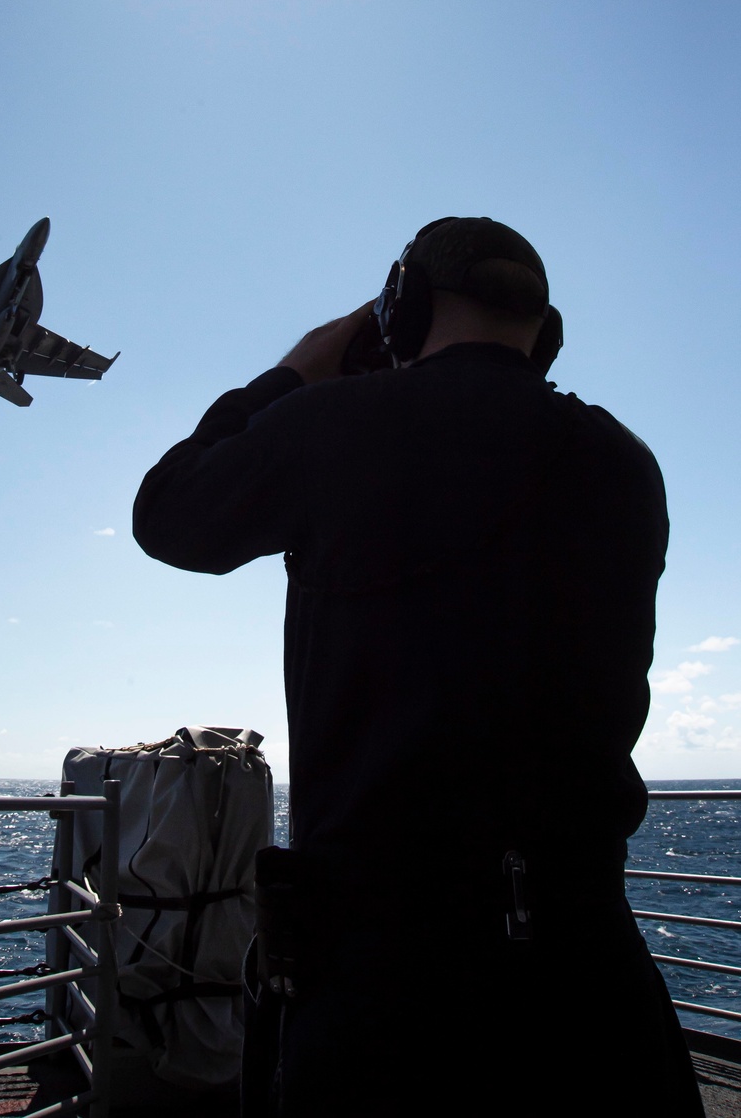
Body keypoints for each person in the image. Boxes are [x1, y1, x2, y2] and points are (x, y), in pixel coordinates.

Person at [132, 217, 703, 1116]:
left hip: (382, 990)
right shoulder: (624, 463)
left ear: (400, 308)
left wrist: (294, 371)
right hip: (590, 978)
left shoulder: (331, 428)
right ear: (544, 332)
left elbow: (168, 514)